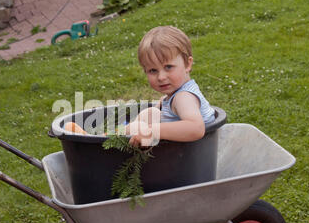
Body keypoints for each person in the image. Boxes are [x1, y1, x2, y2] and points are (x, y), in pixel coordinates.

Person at [65, 25, 215, 147]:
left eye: (168, 67)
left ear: (188, 64)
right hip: (181, 149)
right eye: (152, 70)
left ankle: (100, 142)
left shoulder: (184, 98)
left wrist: (150, 131)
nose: (161, 77)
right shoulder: (175, 95)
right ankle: (108, 137)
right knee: (151, 113)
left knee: (139, 126)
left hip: (192, 153)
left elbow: (196, 128)